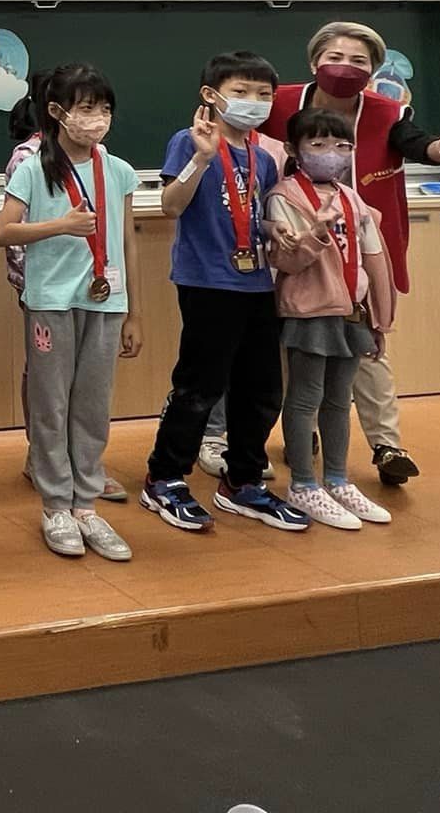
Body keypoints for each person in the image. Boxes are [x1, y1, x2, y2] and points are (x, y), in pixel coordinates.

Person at [260, 21, 440, 487]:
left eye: (359, 61)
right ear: (314, 62)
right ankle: (302, 430)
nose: (345, 68)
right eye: (335, 57)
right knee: (292, 346)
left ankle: (387, 444)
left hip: (358, 253)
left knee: (367, 345)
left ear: (374, 70)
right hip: (291, 246)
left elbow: (417, 144)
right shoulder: (276, 103)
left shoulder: (387, 111)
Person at [139, 53, 308, 537]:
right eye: (241, 91)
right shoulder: (189, 141)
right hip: (207, 281)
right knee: (200, 386)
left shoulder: (263, 156)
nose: (254, 102)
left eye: (263, 94)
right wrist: (202, 158)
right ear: (210, 96)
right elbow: (171, 206)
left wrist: (274, 228)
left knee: (261, 389)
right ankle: (165, 477)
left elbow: (254, 211)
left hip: (256, 281)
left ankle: (243, 481)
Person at [0, 63, 141, 562]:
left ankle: (86, 505)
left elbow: (126, 242)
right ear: (57, 112)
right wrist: (60, 225)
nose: (97, 117)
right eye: (86, 107)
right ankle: (56, 505)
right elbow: (3, 232)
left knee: (93, 406)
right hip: (51, 302)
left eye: (104, 108)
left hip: (106, 301)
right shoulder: (34, 168)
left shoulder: (117, 170)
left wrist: (135, 312)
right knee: (51, 405)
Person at [266, 108, 397, 531]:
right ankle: (304, 484)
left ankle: (337, 479)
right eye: (318, 144)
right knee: (306, 397)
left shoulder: (351, 197)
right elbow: (286, 261)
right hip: (311, 310)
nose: (332, 153)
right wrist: (317, 232)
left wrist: (379, 318)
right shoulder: (285, 196)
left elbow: (373, 257)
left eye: (342, 145)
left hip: (351, 311)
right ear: (294, 149)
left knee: (340, 400)